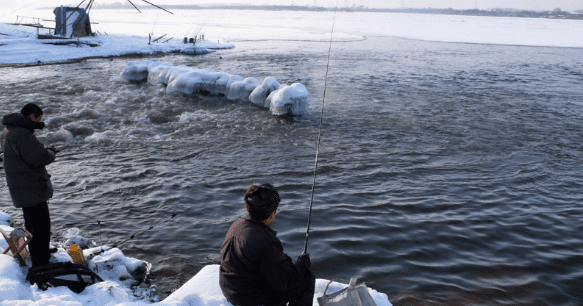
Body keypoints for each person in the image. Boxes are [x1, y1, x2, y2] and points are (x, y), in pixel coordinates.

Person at [220, 183, 315, 306]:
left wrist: (286, 261)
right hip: (250, 299)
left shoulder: (236, 225)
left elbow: (260, 259)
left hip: (231, 291)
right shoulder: (264, 239)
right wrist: (302, 265)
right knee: (306, 279)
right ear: (272, 212)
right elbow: (284, 282)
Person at [2, 103, 57, 267]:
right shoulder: (23, 134)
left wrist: (43, 150)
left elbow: (28, 154)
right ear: (32, 116)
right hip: (30, 187)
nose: (39, 122)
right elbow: (39, 158)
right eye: (38, 119)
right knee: (41, 226)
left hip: (22, 186)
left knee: (32, 224)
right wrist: (51, 153)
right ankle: (41, 261)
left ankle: (39, 252)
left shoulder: (11, 130)